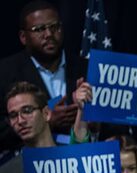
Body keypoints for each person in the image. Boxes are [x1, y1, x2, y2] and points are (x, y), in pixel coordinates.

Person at [0, 1, 85, 151]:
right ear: (23, 37)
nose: (49, 34)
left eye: (54, 27)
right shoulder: (5, 73)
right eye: (39, 29)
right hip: (27, 165)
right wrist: (44, 122)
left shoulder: (86, 68)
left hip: (83, 161)